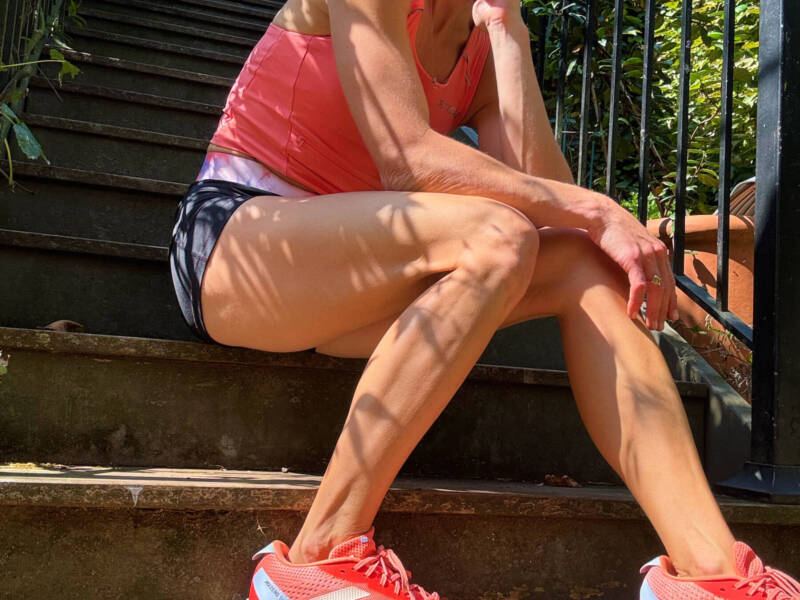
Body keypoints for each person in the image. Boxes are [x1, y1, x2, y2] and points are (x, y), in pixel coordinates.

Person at [167, 0, 800, 598]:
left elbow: (556, 200)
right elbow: (407, 160)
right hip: (239, 245)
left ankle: (710, 571)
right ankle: (318, 554)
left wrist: (507, 30)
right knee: (497, 236)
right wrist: (596, 208)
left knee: (584, 260)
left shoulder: (478, 42)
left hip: (359, 286)